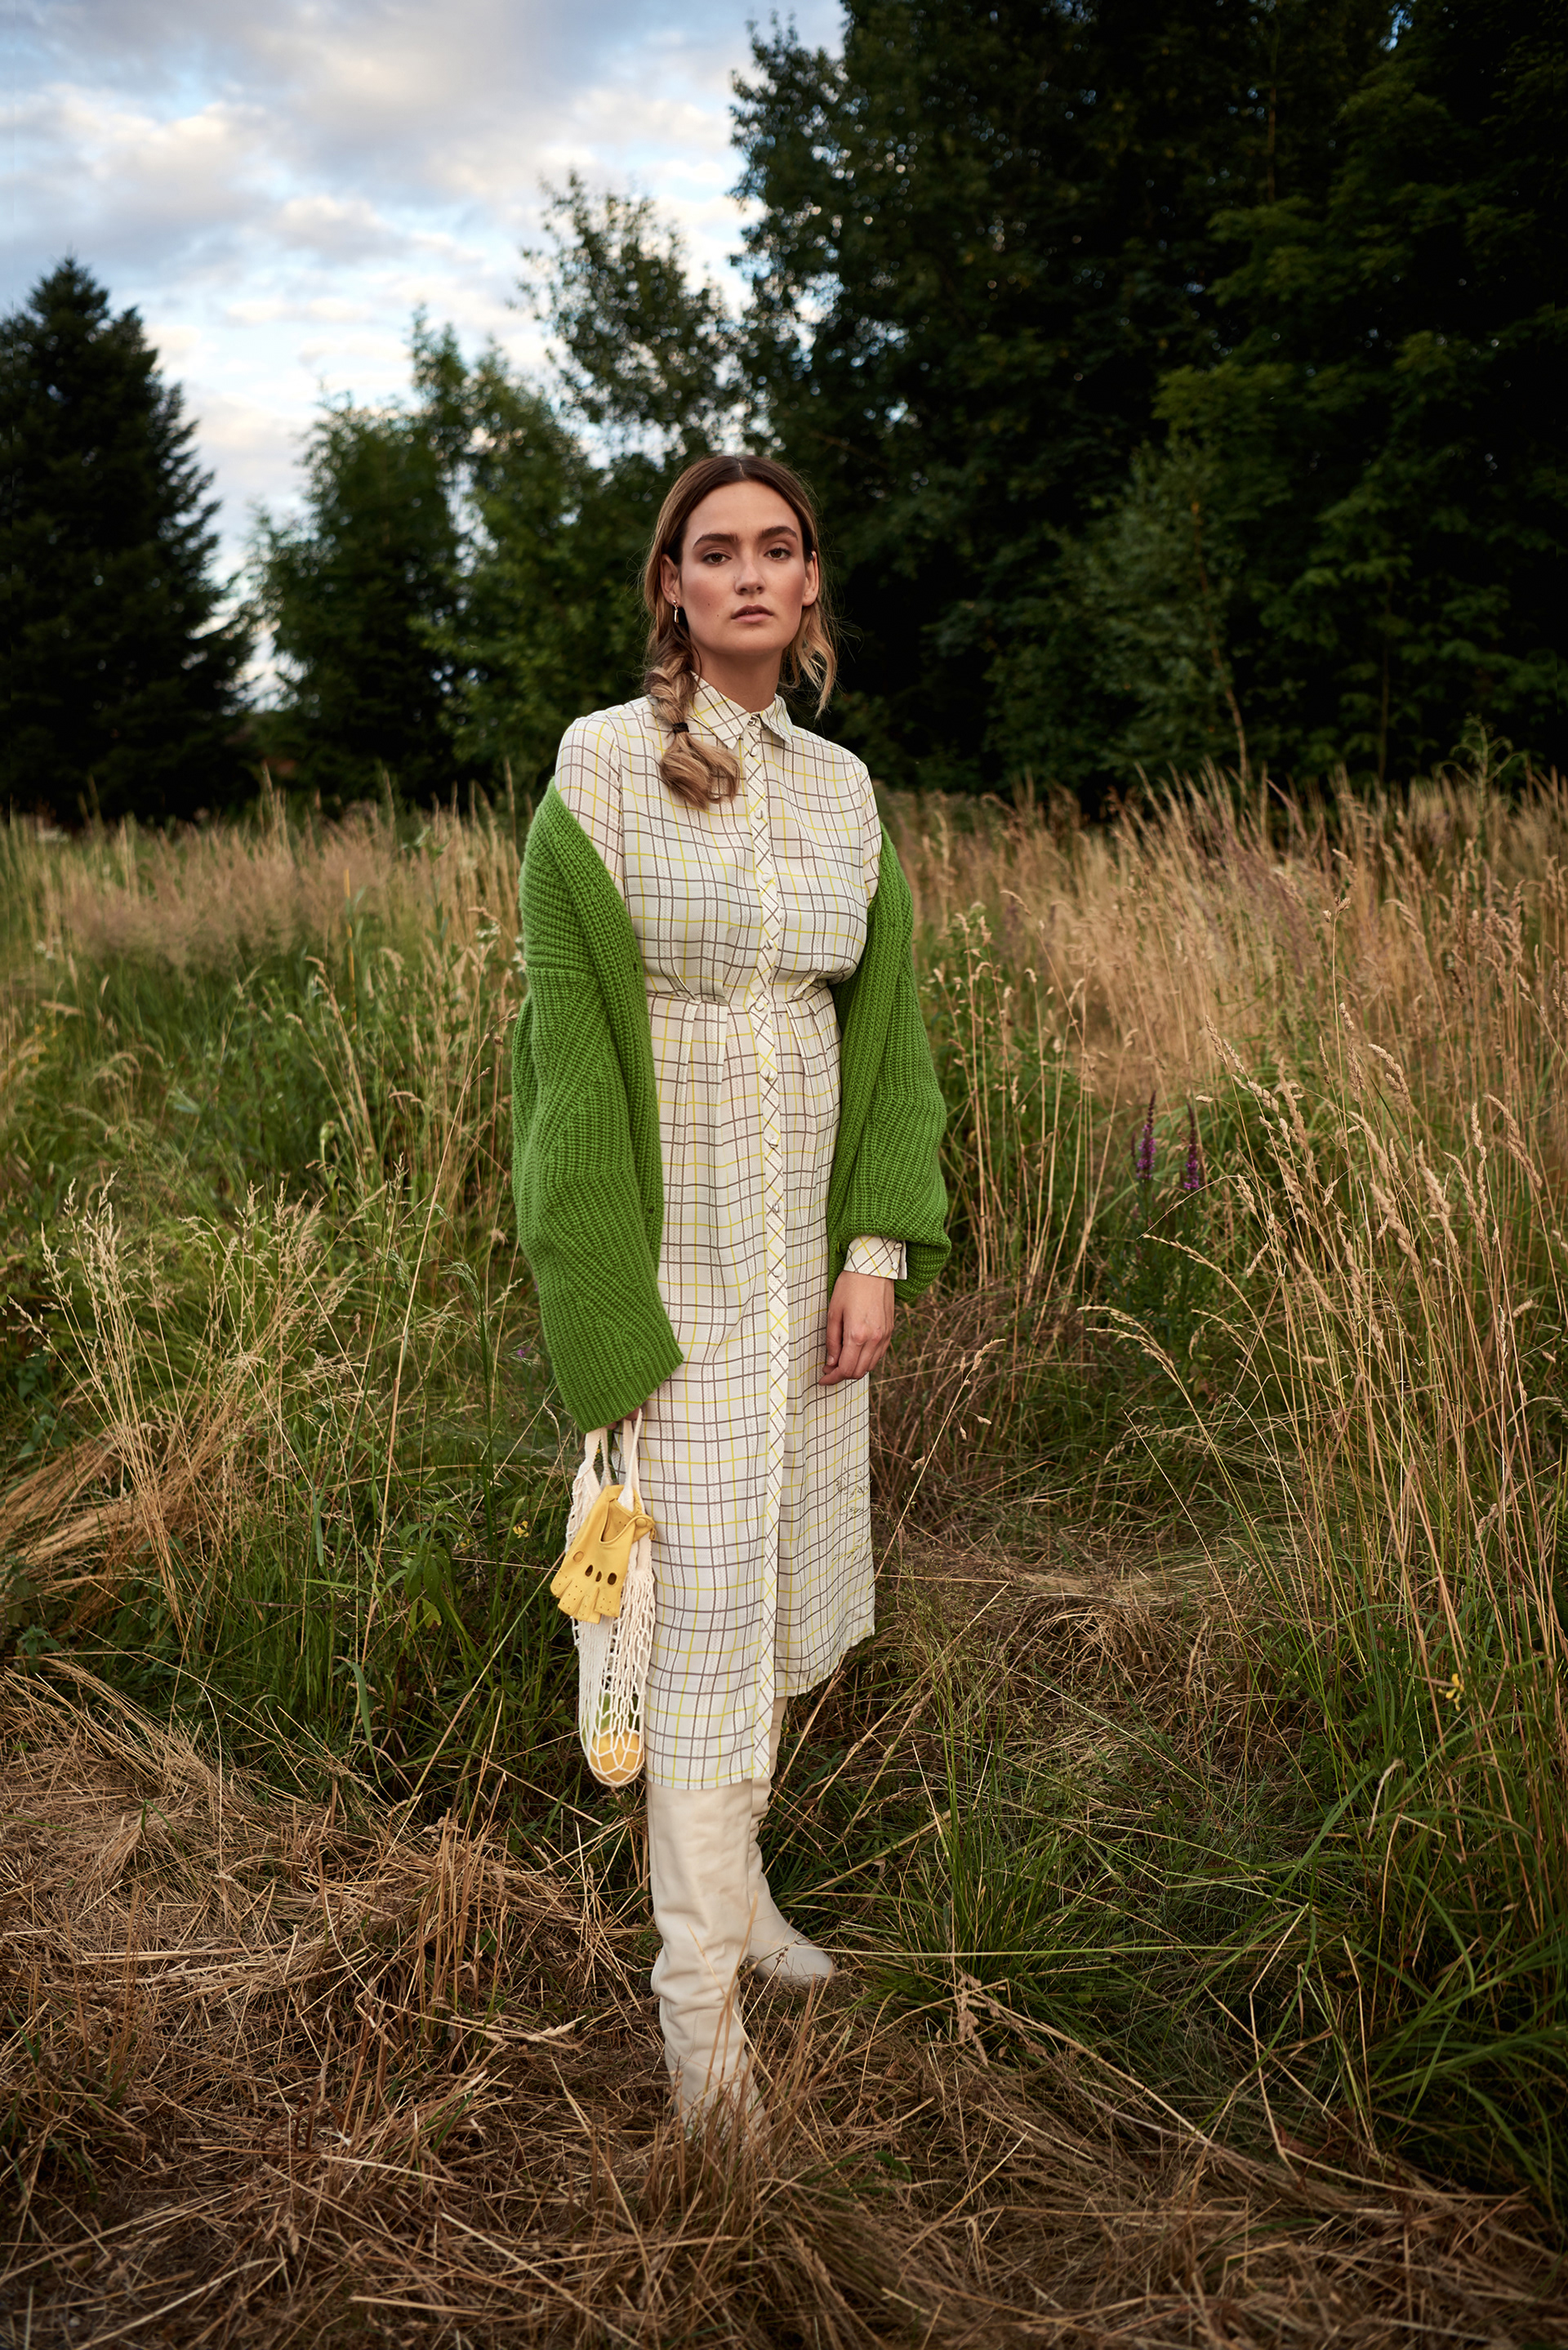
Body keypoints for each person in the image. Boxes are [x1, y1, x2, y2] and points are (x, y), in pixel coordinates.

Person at [511, 452, 949, 2125]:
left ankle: (747, 1898)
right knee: (687, 1612)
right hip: (674, 1255)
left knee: (774, 1577)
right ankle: (697, 2016)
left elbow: (889, 1028)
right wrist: (603, 1304)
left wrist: (874, 1248)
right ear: (674, 587)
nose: (749, 572)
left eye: (777, 547)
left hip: (804, 1258)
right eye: (715, 551)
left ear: (811, 581)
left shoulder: (843, 789)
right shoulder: (605, 766)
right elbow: (564, 1055)